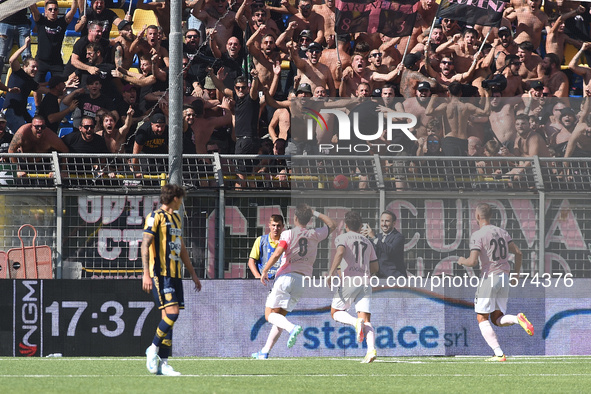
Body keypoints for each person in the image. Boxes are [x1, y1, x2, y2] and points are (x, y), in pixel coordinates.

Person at [457, 202, 533, 362]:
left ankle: (499, 354)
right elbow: (519, 253)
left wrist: (462, 260)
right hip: (504, 277)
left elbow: (472, 262)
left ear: (477, 216)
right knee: (497, 318)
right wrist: (516, 275)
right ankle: (517, 319)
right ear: (491, 216)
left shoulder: (478, 234)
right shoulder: (502, 232)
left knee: (482, 318)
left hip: (489, 278)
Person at [142, 184, 202, 376]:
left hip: (176, 275)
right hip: (161, 274)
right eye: (181, 199)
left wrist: (192, 273)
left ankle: (164, 363)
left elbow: (181, 247)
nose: (182, 202)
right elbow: (145, 244)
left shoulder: (176, 218)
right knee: (172, 314)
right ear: (175, 198)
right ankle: (152, 348)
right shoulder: (155, 217)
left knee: (168, 319)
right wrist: (145, 273)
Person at [260, 204, 336, 351]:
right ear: (308, 220)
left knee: (269, 315)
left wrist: (265, 270)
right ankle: (264, 351)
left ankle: (292, 327)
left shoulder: (288, 234)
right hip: (301, 282)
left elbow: (277, 253)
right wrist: (314, 211)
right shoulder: (315, 234)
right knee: (279, 317)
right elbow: (332, 224)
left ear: (295, 218)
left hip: (286, 277)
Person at [327, 210, 379, 363]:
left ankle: (355, 323)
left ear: (346, 225)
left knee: (335, 312)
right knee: (366, 319)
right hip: (365, 282)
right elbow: (375, 267)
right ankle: (371, 350)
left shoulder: (342, 237)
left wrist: (331, 273)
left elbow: (340, 252)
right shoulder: (367, 241)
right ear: (360, 225)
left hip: (349, 279)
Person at [249, 214, 285, 359]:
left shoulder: (285, 242)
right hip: (266, 284)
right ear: (269, 226)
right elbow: (251, 261)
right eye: (273, 225)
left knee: (275, 316)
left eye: (278, 226)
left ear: (283, 227)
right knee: (276, 317)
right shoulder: (261, 240)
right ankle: (265, 350)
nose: (276, 228)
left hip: (281, 284)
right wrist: (258, 276)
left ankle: (265, 351)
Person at [361, 210, 405, 278]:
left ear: (394, 223)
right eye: (382, 221)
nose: (384, 224)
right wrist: (363, 238)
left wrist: (373, 237)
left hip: (395, 278)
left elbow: (389, 250)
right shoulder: (378, 237)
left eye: (387, 221)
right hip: (379, 277)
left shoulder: (398, 237)